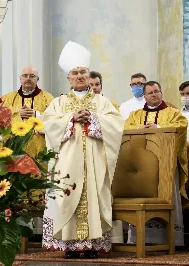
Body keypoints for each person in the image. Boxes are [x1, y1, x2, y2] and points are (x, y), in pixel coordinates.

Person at [41, 41, 124, 258]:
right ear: (68, 78)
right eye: (75, 73)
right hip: (67, 163)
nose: (79, 76)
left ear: (89, 76)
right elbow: (48, 125)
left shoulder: (102, 102)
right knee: (66, 197)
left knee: (94, 196)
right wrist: (71, 118)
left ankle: (92, 245)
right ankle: (68, 245)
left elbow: (116, 125)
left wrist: (94, 119)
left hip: (94, 161)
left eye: (83, 72)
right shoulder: (58, 103)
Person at [125, 81, 188, 246]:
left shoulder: (173, 113)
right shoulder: (135, 115)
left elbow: (181, 128)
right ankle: (141, 238)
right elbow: (126, 130)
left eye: (157, 91)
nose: (154, 95)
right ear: (144, 96)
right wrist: (141, 129)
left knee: (167, 194)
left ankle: (170, 239)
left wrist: (159, 128)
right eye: (150, 92)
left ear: (161, 93)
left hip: (165, 165)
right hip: (141, 167)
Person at [2, 66, 54, 157]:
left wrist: (36, 115)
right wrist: (17, 114)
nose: (28, 78)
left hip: (40, 148)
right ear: (20, 79)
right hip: (14, 148)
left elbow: (55, 120)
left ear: (37, 79)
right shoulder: (8, 98)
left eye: (32, 76)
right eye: (25, 76)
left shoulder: (48, 98)